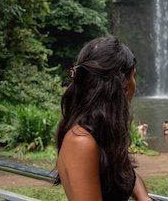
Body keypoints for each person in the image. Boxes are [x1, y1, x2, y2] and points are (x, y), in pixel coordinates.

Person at [54, 36, 153, 201]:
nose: (134, 84)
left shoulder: (99, 133)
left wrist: (143, 196)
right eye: (133, 75)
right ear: (123, 83)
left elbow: (125, 172)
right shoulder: (81, 142)